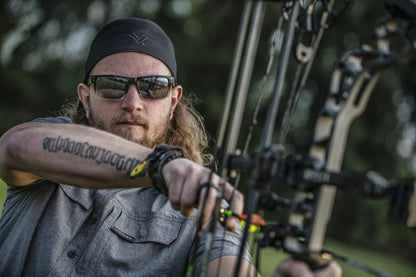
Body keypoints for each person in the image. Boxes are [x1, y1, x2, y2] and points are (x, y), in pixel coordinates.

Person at [0, 17, 341, 277]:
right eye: (111, 86)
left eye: (153, 87)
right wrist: (161, 166)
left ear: (174, 100)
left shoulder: (202, 197)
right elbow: (15, 147)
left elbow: (227, 265)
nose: (132, 102)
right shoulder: (55, 142)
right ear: (85, 98)